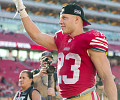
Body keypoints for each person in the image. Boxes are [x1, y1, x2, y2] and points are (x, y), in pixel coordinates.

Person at [12, 1, 117, 100]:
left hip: (85, 96)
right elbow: (36, 36)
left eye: (64, 18)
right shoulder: (61, 39)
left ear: (77, 19)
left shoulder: (89, 39)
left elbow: (106, 76)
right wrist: (21, 9)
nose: (60, 22)